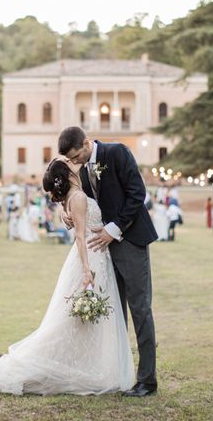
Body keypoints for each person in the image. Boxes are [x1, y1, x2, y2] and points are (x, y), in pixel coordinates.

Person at [0, 157, 133, 397]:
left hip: (96, 257)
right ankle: (66, 366)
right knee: (70, 321)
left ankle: (87, 364)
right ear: (68, 176)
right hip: (90, 258)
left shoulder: (73, 197)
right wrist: (85, 270)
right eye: (71, 167)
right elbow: (80, 237)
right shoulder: (78, 198)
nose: (75, 166)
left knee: (77, 321)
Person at [59, 127, 158, 397]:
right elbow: (79, 200)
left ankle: (147, 380)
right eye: (72, 159)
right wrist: (64, 214)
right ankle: (119, 374)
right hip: (103, 252)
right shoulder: (81, 169)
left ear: (87, 143)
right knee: (115, 314)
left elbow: (137, 195)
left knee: (140, 309)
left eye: (78, 156)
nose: (76, 162)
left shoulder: (118, 153)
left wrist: (113, 230)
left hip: (130, 241)